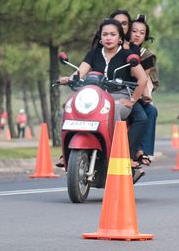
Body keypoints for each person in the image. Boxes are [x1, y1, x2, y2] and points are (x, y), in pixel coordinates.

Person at [59, 18, 148, 167]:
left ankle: (119, 153)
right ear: (100, 38)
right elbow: (80, 72)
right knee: (69, 106)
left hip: (119, 96)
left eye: (113, 34)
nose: (108, 38)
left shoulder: (126, 55)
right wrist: (70, 78)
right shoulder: (94, 54)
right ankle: (66, 152)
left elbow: (143, 79)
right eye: (105, 34)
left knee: (115, 109)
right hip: (95, 96)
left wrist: (132, 100)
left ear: (120, 38)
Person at [128, 15, 159, 164]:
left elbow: (144, 79)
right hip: (116, 91)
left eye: (141, 33)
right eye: (134, 31)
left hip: (135, 93)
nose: (137, 35)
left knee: (151, 111)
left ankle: (142, 151)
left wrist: (145, 96)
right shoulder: (119, 49)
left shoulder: (146, 55)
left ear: (145, 36)